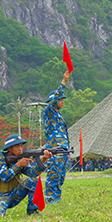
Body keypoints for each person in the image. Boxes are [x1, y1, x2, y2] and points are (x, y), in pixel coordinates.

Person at [0, 134, 51, 216]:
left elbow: (32, 173)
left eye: (21, 146)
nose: (20, 149)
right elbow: (5, 177)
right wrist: (18, 165)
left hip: (14, 194)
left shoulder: (20, 158)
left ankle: (32, 211)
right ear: (9, 148)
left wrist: (44, 159)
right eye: (17, 146)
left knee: (33, 181)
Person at [43, 70, 71, 203]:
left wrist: (67, 150)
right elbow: (54, 101)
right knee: (53, 175)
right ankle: (50, 199)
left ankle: (56, 198)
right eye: (60, 99)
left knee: (60, 176)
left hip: (62, 150)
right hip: (54, 150)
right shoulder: (49, 111)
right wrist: (64, 81)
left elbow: (64, 134)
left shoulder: (59, 116)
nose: (62, 101)